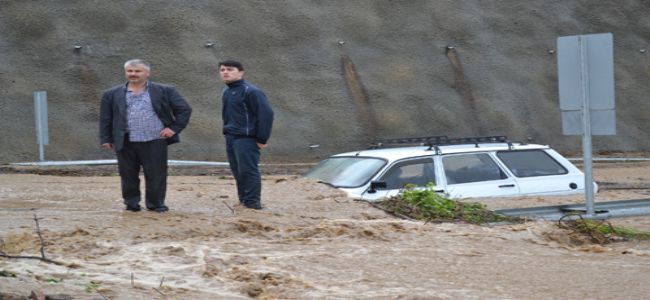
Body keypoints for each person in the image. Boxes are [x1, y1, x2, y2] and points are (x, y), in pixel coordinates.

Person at [99, 59, 192, 212]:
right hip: (125, 141)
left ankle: (156, 204)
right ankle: (132, 203)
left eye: (137, 71)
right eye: (130, 71)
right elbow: (105, 118)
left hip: (155, 140)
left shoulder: (165, 90)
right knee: (128, 175)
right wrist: (106, 138)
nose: (133, 74)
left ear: (147, 73)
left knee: (156, 175)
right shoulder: (112, 94)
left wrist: (173, 129)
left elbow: (184, 110)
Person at [219, 60, 274, 209]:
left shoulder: (251, 91)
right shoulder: (227, 91)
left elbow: (266, 114)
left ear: (241, 72)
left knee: (248, 171)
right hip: (231, 137)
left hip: (246, 138)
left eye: (230, 69)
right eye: (222, 70)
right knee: (237, 171)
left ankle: (252, 204)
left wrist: (262, 138)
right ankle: (243, 201)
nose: (225, 72)